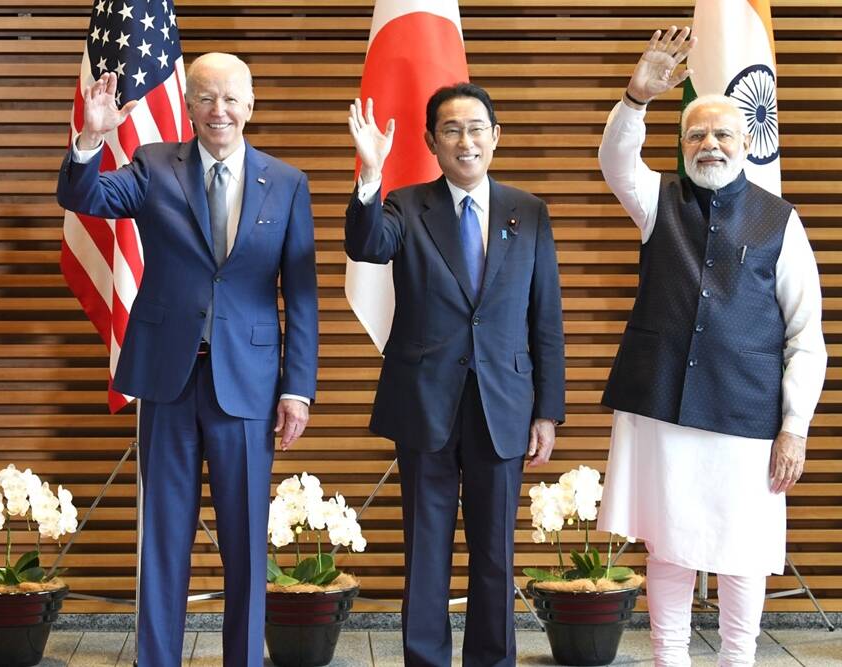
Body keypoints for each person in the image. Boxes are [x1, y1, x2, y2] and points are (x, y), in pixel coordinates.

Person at [56, 53, 318, 667]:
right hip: (168, 378)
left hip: (249, 383)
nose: (218, 110)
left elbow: (300, 295)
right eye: (205, 97)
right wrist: (91, 138)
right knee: (164, 539)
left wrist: (297, 387)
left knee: (246, 542)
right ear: (189, 105)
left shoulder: (286, 182)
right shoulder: (152, 164)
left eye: (230, 98)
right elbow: (83, 194)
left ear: (251, 105)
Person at [596, 27, 827, 667]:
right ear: (682, 144)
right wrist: (637, 99)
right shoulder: (657, 201)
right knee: (666, 544)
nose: (709, 144)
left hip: (747, 414)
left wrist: (795, 428)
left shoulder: (781, 220)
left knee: (743, 546)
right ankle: (669, 657)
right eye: (696, 134)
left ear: (746, 143)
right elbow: (616, 162)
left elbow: (806, 333)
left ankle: (737, 659)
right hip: (662, 406)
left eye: (723, 134)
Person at [345, 83, 565, 666]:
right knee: (426, 548)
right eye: (450, 130)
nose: (465, 141)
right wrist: (370, 176)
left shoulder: (531, 211)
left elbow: (545, 316)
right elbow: (367, 244)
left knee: (495, 551)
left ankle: (492, 659)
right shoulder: (405, 206)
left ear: (495, 137)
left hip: (504, 402)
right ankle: (425, 659)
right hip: (425, 401)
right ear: (431, 142)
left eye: (475, 129)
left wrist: (548, 410)